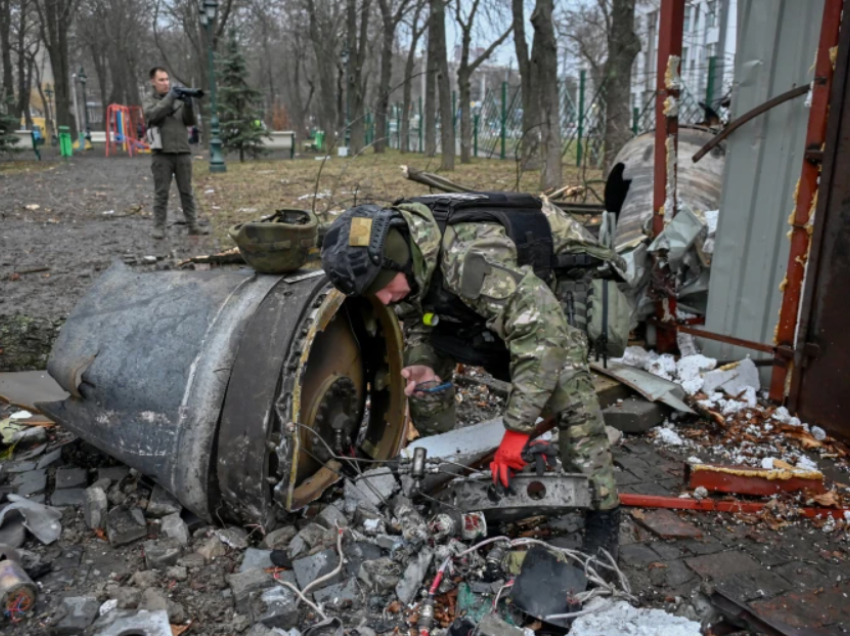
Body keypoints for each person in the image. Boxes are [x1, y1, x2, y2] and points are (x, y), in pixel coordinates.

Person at [320, 196, 625, 561]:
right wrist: (422, 363)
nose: (385, 300)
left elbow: (543, 334)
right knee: (425, 389)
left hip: (563, 289)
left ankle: (603, 511)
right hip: (495, 304)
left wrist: (516, 431)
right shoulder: (409, 267)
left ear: (398, 260)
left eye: (385, 287)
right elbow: (421, 323)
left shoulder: (470, 258)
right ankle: (446, 478)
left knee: (570, 395)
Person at [142, 66, 209, 239]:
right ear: (153, 82)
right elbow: (154, 115)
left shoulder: (178, 100)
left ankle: (192, 224)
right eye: (161, 80)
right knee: (161, 192)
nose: (166, 83)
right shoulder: (149, 100)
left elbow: (189, 121)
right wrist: (171, 97)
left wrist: (188, 105)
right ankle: (159, 227)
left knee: (187, 192)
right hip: (162, 153)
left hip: (182, 151)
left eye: (167, 79)